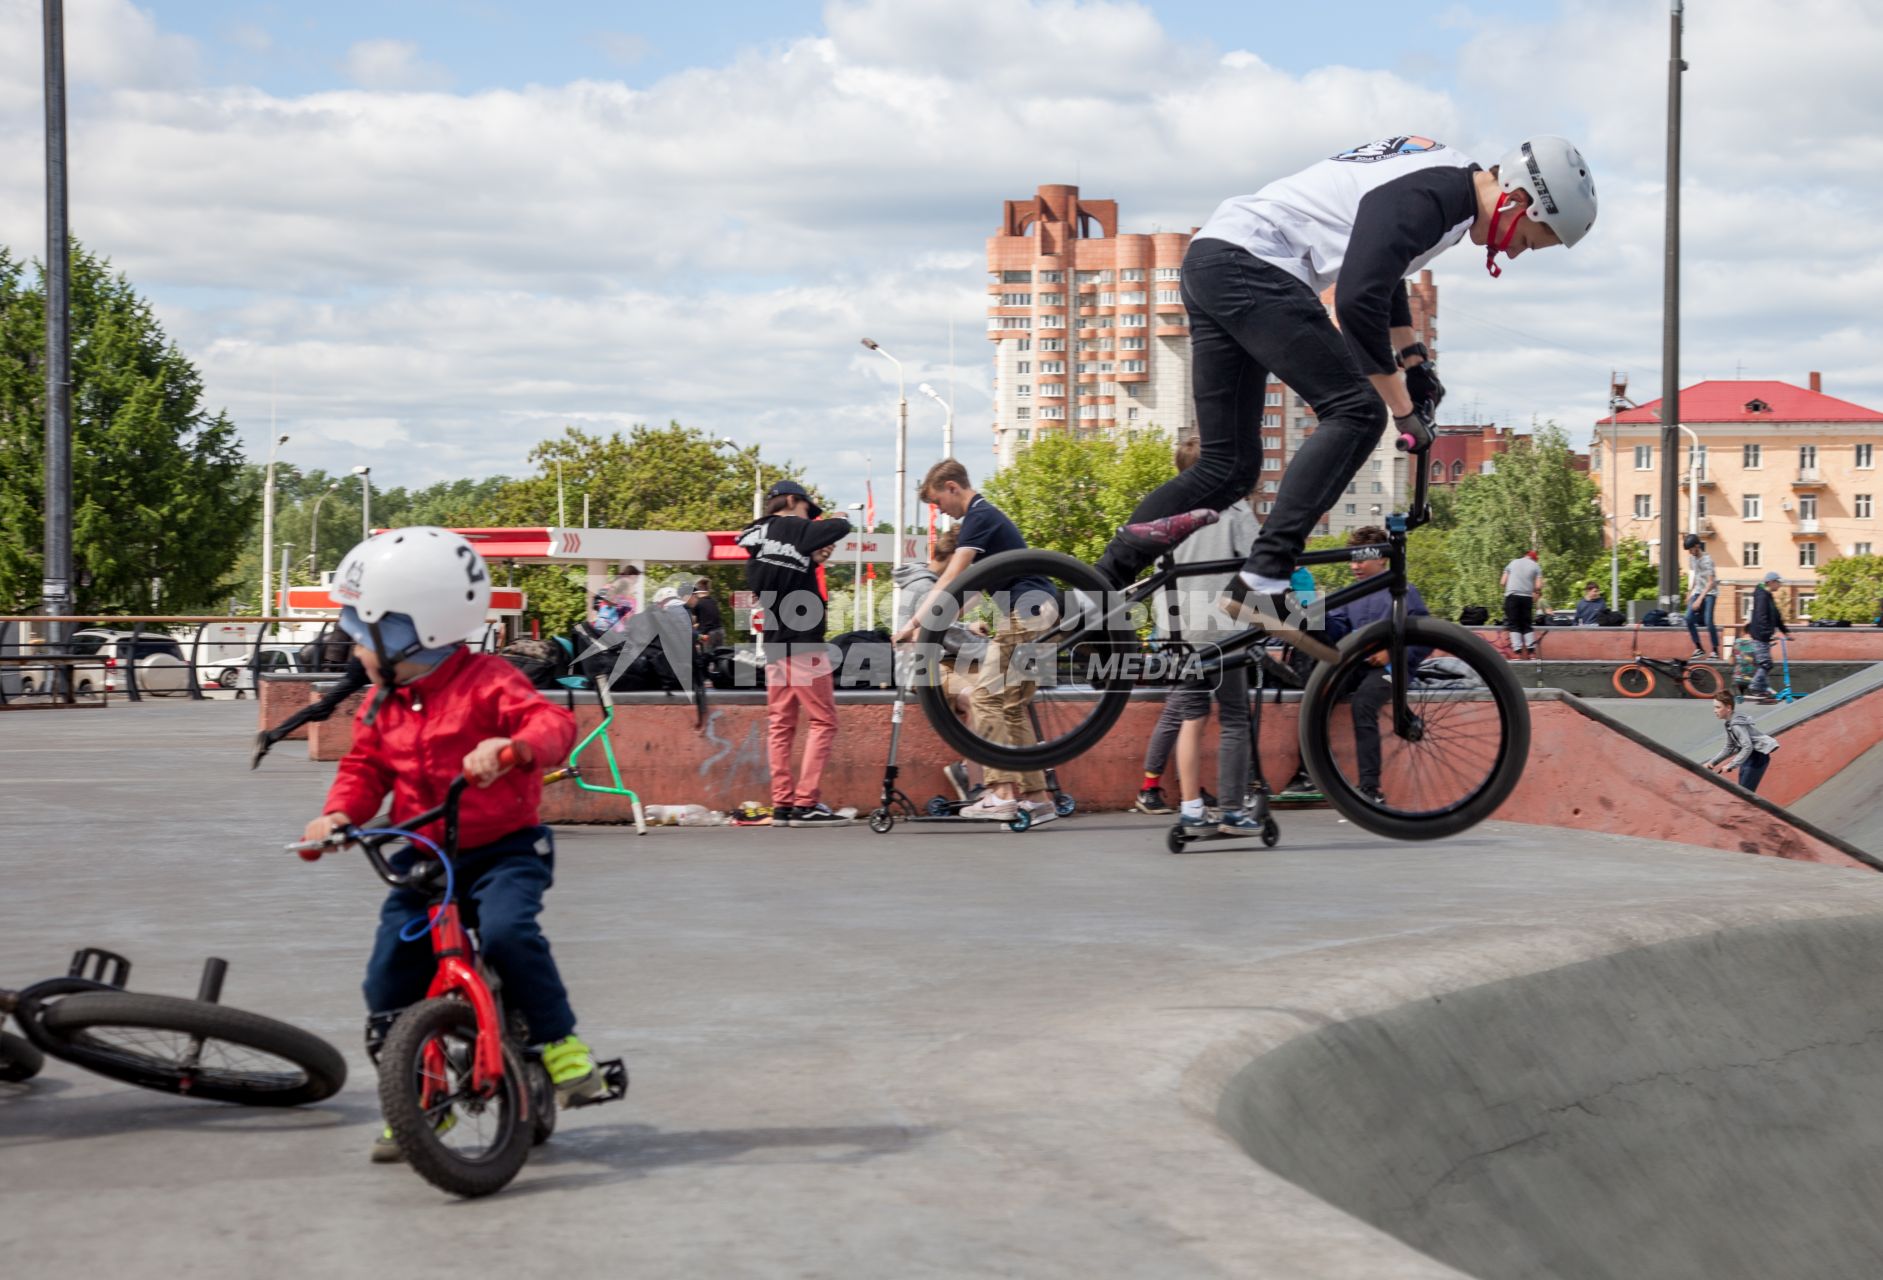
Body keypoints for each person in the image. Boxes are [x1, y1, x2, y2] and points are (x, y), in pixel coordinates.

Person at [1090, 135, 1597, 649]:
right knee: (1356, 411)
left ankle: (1094, 595)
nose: (1513, 251)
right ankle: (1264, 575)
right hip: (1253, 264)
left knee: (1228, 467)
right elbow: (1356, 299)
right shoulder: (1437, 197)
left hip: (1215, 261)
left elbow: (1385, 265)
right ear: (1518, 201)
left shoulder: (1446, 183)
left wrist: (1412, 358)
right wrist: (1401, 409)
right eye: (1530, 240)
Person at [297, 528, 604, 1162]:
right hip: (420, 859)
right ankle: (419, 1099)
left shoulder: (489, 681)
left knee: (509, 934)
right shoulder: (381, 704)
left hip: (504, 851)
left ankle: (558, 1042)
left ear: (413, 630)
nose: (352, 644)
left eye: (360, 628)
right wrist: (334, 818)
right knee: (388, 978)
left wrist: (512, 748)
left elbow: (552, 722)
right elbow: (365, 771)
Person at [896, 459, 1058, 826]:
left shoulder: (978, 517)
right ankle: (1038, 798)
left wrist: (914, 622)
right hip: (1041, 610)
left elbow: (951, 577)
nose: (941, 512)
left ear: (954, 487)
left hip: (1026, 610)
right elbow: (963, 592)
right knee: (1013, 705)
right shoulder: (986, 522)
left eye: (939, 503)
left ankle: (1000, 794)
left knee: (985, 696)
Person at [1157, 436, 1266, 836]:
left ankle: (1190, 809)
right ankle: (1233, 810)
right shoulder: (1233, 510)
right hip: (1223, 630)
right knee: (1235, 717)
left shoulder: (1166, 512)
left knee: (1191, 717)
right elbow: (1259, 560)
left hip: (1178, 630)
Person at [737, 479, 852, 827]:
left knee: (780, 725)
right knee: (822, 720)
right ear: (791, 500)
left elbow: (777, 562)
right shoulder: (799, 529)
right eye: (806, 510)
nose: (808, 518)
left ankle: (783, 802)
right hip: (804, 642)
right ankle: (806, 802)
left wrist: (813, 557)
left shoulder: (755, 535)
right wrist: (835, 519)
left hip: (774, 644)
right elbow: (841, 526)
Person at [1328, 525, 1432, 804]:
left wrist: (1392, 654)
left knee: (1363, 703)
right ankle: (1307, 772)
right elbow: (1335, 627)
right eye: (1352, 559)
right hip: (1357, 666)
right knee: (1319, 692)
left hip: (1392, 671)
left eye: (1361, 559)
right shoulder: (1349, 594)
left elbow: (1426, 638)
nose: (1355, 566)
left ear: (1383, 558)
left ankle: (1371, 788)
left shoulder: (1405, 591)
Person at [1704, 688, 1780, 793]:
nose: (1715, 710)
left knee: (1745, 794)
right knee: (1742, 792)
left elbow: (1747, 746)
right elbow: (1729, 747)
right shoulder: (1729, 723)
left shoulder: (1736, 725)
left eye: (1718, 707)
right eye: (1714, 707)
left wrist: (1731, 765)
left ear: (1728, 708)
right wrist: (1712, 762)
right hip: (1749, 757)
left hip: (1757, 758)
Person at [1745, 569, 1791, 704]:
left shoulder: (1767, 595)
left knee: (1766, 663)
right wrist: (1767, 633)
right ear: (1771, 582)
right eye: (1778, 582)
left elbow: (1776, 616)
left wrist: (1785, 631)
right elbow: (1761, 617)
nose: (1779, 585)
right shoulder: (1762, 596)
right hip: (1760, 635)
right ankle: (1755, 686)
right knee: (1766, 664)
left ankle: (1763, 689)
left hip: (1763, 635)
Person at [1500, 550, 1543, 659]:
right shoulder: (1536, 566)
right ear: (1534, 559)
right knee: (1526, 624)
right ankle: (1531, 653)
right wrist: (1531, 589)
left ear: (1525, 556)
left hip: (1512, 596)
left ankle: (1517, 654)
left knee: (1514, 624)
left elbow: (1502, 582)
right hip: (1527, 597)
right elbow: (1538, 586)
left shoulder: (1513, 562)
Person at [1684, 534, 1720, 659]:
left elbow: (1710, 583)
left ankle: (1715, 650)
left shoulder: (1708, 561)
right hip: (1698, 591)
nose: (1690, 552)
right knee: (1688, 618)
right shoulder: (1692, 559)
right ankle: (1699, 648)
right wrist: (1690, 592)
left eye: (1691, 549)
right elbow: (1695, 575)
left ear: (1697, 546)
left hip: (1710, 593)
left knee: (1708, 621)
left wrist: (1699, 600)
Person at [689, 577, 725, 653]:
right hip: (720, 631)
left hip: (708, 634)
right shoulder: (713, 601)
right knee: (719, 656)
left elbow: (693, 621)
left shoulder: (697, 603)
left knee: (707, 658)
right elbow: (709, 618)